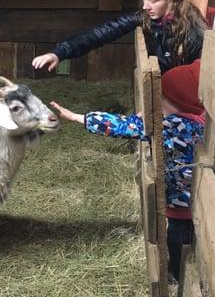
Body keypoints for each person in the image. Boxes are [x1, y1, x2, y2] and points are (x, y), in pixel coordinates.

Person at [49, 59, 204, 282]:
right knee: (193, 237)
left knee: (178, 238)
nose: (155, 104)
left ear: (179, 103)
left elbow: (121, 125)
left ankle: (178, 276)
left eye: (161, 99)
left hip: (180, 202)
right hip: (199, 198)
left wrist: (79, 118)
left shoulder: (170, 125)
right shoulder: (200, 121)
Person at [32, 0, 207, 74]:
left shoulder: (195, 34)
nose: (145, 5)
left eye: (152, 0)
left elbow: (199, 79)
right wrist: (59, 53)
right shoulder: (146, 18)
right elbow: (102, 32)